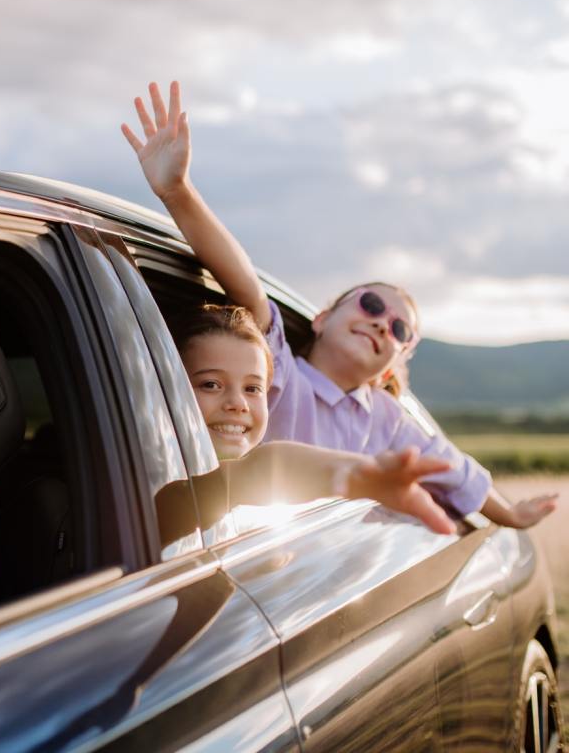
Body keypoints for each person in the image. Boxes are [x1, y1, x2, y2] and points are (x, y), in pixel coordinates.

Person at [123, 80, 556, 528]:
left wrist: (511, 515)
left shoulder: (387, 419)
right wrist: (177, 192)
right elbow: (248, 285)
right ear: (323, 318)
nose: (382, 324)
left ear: (395, 361)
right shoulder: (278, 374)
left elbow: (453, 469)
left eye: (400, 330)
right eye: (370, 304)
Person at [171, 303, 456, 535]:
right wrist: (347, 471)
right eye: (210, 384)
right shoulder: (159, 486)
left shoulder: (389, 415)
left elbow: (258, 470)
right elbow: (258, 469)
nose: (237, 403)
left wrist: (354, 473)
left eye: (253, 389)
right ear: (168, 388)